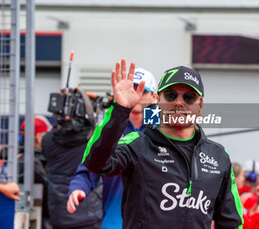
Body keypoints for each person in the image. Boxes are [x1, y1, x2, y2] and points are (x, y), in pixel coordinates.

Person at [82, 59, 243, 229]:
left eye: (189, 97)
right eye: (171, 95)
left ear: (200, 104)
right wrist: (120, 110)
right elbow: (95, 163)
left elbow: (230, 221)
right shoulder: (136, 144)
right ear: (158, 101)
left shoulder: (218, 156)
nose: (179, 102)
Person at [66, 68, 158, 229]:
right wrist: (78, 188)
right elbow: (90, 167)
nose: (135, 95)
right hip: (115, 221)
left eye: (143, 91)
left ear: (154, 97)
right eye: (131, 89)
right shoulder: (108, 129)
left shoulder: (166, 130)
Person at [42, 89, 103, 229]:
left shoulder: (48, 141)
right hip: (90, 215)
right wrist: (92, 105)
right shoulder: (93, 139)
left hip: (59, 214)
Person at [19, 116, 53, 229]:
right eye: (47, 136)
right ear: (38, 137)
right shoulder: (34, 163)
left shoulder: (15, 159)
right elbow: (50, 202)